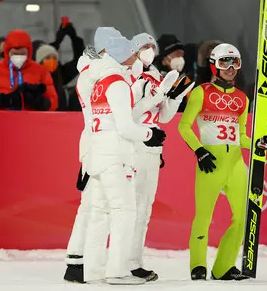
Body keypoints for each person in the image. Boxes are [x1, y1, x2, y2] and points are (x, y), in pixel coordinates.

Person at [178, 43, 267, 281]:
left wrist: (257, 143)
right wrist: (199, 151)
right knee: (204, 217)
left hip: (236, 163)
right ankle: (198, 265)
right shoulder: (201, 92)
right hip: (211, 161)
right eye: (224, 63)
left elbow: (241, 137)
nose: (230, 68)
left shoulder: (241, 99)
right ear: (214, 65)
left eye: (235, 63)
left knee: (242, 217)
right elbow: (184, 126)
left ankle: (223, 267)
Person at [83, 36, 166, 285]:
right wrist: (151, 134)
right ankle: (117, 271)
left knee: (99, 212)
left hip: (99, 154)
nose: (136, 57)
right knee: (125, 211)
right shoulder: (118, 83)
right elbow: (126, 126)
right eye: (131, 52)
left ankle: (92, 270)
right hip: (116, 156)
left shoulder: (99, 81)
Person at [127, 32, 192, 282]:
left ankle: (134, 261)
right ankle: (119, 261)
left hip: (153, 148)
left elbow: (162, 117)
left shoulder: (155, 75)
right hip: (133, 144)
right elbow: (129, 113)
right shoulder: (128, 74)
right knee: (129, 208)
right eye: (144, 47)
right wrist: (156, 95)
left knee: (144, 209)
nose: (149, 52)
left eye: (152, 48)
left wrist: (173, 97)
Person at [63, 26, 122, 284]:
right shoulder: (91, 74)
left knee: (95, 206)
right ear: (105, 47)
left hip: (98, 141)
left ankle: (79, 261)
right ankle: (76, 262)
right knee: (90, 207)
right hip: (95, 142)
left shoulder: (95, 70)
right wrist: (86, 156)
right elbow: (92, 119)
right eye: (117, 44)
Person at [0, 29, 58, 111]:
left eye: (23, 54)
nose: (19, 57)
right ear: (7, 51)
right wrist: (2, 99)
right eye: (14, 54)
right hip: (0, 122)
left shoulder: (41, 71)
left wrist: (38, 101)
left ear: (29, 52)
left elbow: (54, 103)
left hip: (31, 122)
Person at [33, 21, 85, 111]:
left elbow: (79, 61)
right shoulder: (31, 79)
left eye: (54, 58)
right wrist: (57, 42)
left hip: (61, 121)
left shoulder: (59, 74)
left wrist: (74, 38)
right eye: (47, 58)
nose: (51, 61)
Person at [155, 34, 194, 111]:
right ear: (164, 60)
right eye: (176, 54)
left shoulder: (187, 80)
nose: (180, 58)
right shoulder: (154, 79)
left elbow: (193, 106)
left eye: (181, 54)